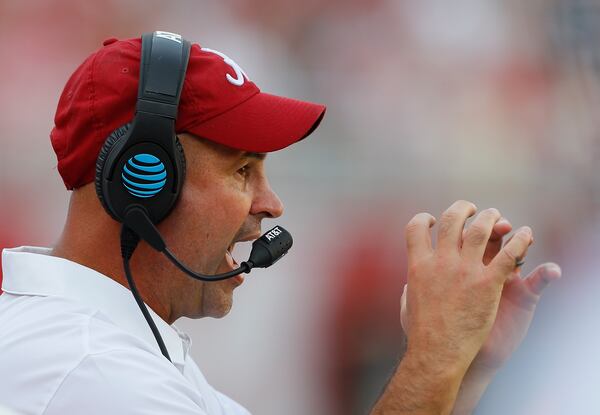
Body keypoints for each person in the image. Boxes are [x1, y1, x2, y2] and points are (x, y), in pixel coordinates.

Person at [0, 33, 561, 415]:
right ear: (141, 182)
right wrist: (435, 356)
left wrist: (457, 370)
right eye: (242, 170)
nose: (272, 204)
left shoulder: (102, 348)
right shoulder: (89, 368)